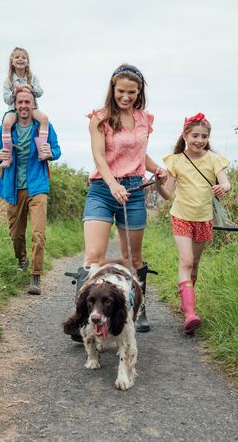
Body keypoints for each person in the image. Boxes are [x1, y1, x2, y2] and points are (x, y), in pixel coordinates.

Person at [64, 64, 166, 339]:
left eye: (131, 92)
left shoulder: (145, 119)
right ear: (112, 89)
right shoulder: (100, 118)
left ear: (139, 92)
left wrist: (157, 168)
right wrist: (112, 184)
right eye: (121, 91)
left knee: (131, 258)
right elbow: (100, 155)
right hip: (102, 188)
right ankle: (82, 318)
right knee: (93, 256)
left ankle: (137, 307)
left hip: (133, 189)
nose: (126, 96)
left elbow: (138, 154)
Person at [155, 112, 231, 334]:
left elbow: (226, 183)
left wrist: (222, 187)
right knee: (186, 261)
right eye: (195, 135)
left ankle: (186, 302)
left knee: (194, 265)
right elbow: (168, 194)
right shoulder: (175, 161)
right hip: (181, 216)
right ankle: (190, 314)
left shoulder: (213, 159)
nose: (199, 140)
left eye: (204, 136)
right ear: (185, 135)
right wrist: (159, 184)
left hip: (204, 219)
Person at [0, 86, 61, 295]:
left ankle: (36, 276)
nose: (24, 106)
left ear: (33, 105)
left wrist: (50, 153)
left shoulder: (43, 127)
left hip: (37, 185)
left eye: (27, 102)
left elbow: (56, 150)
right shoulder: (6, 129)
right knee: (16, 234)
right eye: (20, 102)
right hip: (13, 187)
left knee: (38, 233)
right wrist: (0, 156)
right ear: (15, 105)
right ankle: (22, 259)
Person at [0, 47, 50, 168]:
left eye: (24, 57)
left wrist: (30, 88)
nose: (20, 59)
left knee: (44, 119)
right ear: (12, 61)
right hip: (13, 109)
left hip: (31, 108)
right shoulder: (8, 81)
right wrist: (14, 92)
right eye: (17, 57)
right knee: (6, 124)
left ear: (27, 62)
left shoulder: (32, 78)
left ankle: (42, 150)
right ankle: (8, 156)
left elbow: (40, 92)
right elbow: (6, 99)